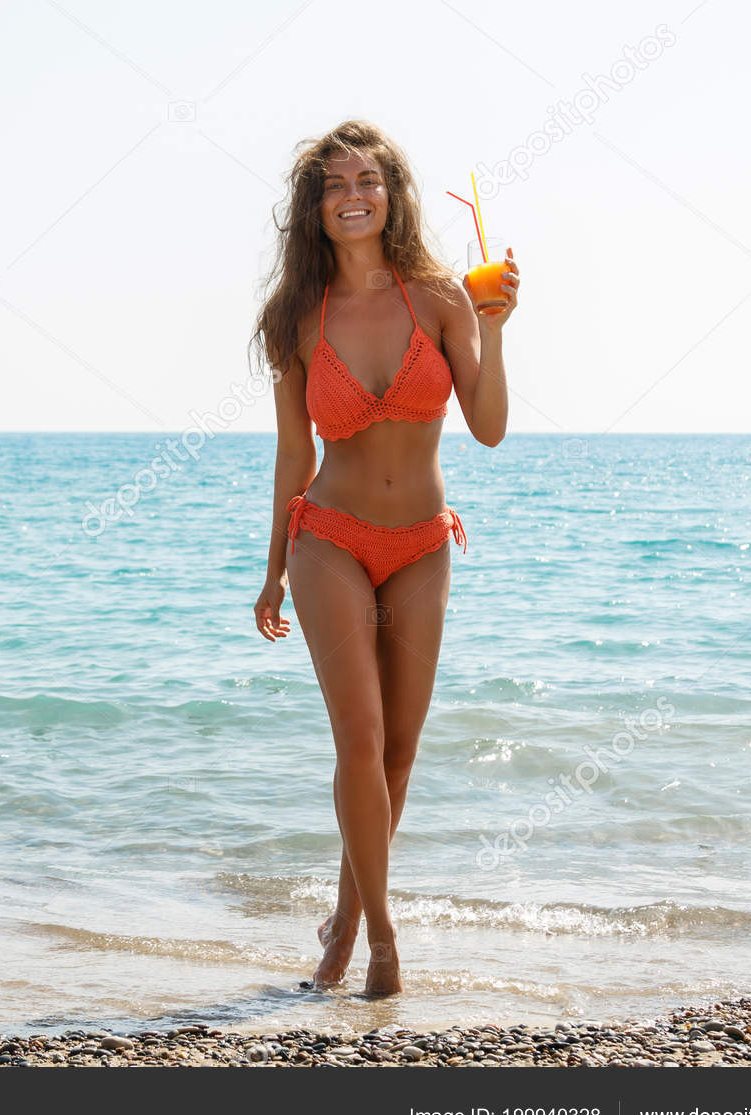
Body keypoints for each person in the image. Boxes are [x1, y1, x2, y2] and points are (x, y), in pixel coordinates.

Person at [251, 120, 519, 995]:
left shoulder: (440, 297)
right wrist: (273, 565)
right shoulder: (296, 316)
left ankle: (345, 915)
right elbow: (294, 453)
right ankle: (377, 945)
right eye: (334, 184)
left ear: (393, 194)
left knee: (399, 752)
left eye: (368, 179)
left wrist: (495, 324)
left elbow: (487, 427)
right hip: (327, 537)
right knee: (359, 739)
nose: (353, 194)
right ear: (315, 207)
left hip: (421, 547)